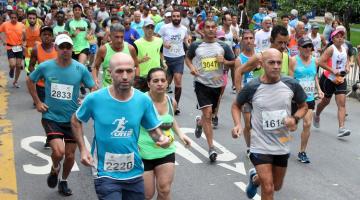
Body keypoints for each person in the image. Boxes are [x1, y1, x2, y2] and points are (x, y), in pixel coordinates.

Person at [71, 52, 171, 200]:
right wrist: (83, 149)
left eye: (129, 71)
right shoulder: (95, 99)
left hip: (134, 171)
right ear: (109, 73)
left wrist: (162, 138)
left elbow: (153, 130)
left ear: (134, 72)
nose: (125, 76)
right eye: (119, 71)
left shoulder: (142, 100)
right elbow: (75, 120)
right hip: (105, 173)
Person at [231, 48, 308, 199]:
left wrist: (295, 118)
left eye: (279, 63)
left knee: (277, 185)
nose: (276, 66)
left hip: (282, 142)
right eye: (271, 62)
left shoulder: (291, 84)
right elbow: (236, 105)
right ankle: (259, 179)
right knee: (268, 187)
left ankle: (255, 179)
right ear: (261, 64)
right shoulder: (252, 87)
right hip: (259, 144)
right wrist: (238, 124)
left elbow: (304, 106)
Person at [26, 34, 95, 196]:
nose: (65, 50)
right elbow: (30, 80)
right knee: (59, 152)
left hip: (72, 120)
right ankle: (55, 167)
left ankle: (63, 181)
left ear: (72, 49)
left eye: (68, 47)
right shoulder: (46, 66)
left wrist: (85, 103)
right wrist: (37, 102)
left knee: (70, 156)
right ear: (56, 48)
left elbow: (93, 88)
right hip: (51, 117)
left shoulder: (80, 69)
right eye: (62, 47)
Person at [185, 19, 235, 162]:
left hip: (217, 85)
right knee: (207, 114)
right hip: (201, 83)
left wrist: (224, 62)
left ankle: (199, 122)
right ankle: (211, 147)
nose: (211, 29)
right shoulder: (196, 45)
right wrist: (192, 68)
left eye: (213, 27)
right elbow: (187, 59)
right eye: (208, 27)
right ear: (203, 29)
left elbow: (234, 62)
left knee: (210, 115)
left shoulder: (223, 46)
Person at [139, 68, 191, 200]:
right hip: (143, 153)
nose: (160, 83)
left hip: (166, 151)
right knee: (147, 194)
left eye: (163, 80)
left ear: (168, 83)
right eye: (155, 81)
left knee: (165, 190)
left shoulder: (171, 101)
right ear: (149, 83)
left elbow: (171, 119)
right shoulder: (140, 102)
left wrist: (180, 134)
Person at [236, 25, 296, 91]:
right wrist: (240, 96)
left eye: (285, 43)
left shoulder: (288, 59)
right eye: (280, 42)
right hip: (260, 99)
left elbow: (290, 85)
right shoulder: (259, 57)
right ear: (271, 40)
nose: (283, 46)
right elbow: (238, 72)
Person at [315, 29, 351, 137]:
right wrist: (332, 70)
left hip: (340, 79)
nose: (340, 38)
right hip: (328, 79)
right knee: (326, 101)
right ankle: (317, 114)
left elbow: (348, 59)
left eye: (342, 37)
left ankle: (341, 128)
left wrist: (347, 66)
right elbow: (320, 62)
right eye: (337, 36)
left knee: (342, 103)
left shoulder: (345, 48)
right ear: (333, 39)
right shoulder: (331, 49)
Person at [293, 37, 324, 163]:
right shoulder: (293, 61)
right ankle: (280, 147)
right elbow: (289, 78)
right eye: (305, 46)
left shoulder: (315, 61)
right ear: (299, 48)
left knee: (307, 124)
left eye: (309, 46)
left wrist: (319, 89)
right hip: (295, 99)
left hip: (309, 98)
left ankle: (302, 151)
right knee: (290, 126)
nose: (307, 49)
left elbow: (314, 76)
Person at [28, 25, 58, 148]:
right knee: (46, 113)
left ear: (52, 36)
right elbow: (31, 66)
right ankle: (49, 136)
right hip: (42, 86)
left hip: (57, 86)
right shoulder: (36, 49)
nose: (47, 36)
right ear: (40, 36)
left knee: (56, 111)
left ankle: (56, 133)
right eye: (44, 34)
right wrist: (35, 74)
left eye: (49, 34)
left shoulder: (58, 48)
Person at [159, 10, 189, 115]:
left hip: (179, 57)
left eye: (178, 16)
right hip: (167, 58)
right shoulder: (165, 28)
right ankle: (161, 103)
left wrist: (189, 47)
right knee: (165, 83)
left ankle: (175, 105)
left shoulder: (184, 29)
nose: (176, 18)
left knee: (178, 80)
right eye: (174, 16)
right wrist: (163, 44)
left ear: (180, 17)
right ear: (171, 17)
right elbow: (157, 39)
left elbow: (186, 40)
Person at [92, 23, 138, 89]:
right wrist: (95, 80)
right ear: (110, 36)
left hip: (126, 89)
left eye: (122, 37)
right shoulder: (103, 50)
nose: (119, 40)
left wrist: (135, 81)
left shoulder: (130, 49)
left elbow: (136, 66)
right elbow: (95, 67)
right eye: (116, 37)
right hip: (108, 89)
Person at [234, 29, 256, 156]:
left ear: (254, 40)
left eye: (250, 38)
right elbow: (237, 80)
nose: (248, 41)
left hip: (259, 95)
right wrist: (240, 98)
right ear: (242, 41)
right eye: (246, 38)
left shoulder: (259, 56)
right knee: (248, 124)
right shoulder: (239, 60)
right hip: (246, 96)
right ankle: (249, 147)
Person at [134, 20, 164, 92]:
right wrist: (141, 60)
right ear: (143, 28)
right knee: (142, 100)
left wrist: (163, 63)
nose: (150, 29)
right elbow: (132, 61)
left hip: (156, 75)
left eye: (152, 27)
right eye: (148, 27)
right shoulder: (137, 43)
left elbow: (160, 53)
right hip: (143, 76)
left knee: (155, 99)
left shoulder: (159, 41)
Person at [0, 11, 26, 88]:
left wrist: (24, 42)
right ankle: (11, 69)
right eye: (12, 18)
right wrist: (3, 40)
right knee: (13, 64)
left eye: (15, 18)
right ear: (10, 17)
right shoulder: (5, 24)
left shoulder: (21, 25)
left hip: (19, 47)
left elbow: (24, 38)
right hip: (10, 47)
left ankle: (15, 81)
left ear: (17, 18)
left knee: (18, 65)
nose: (13, 19)